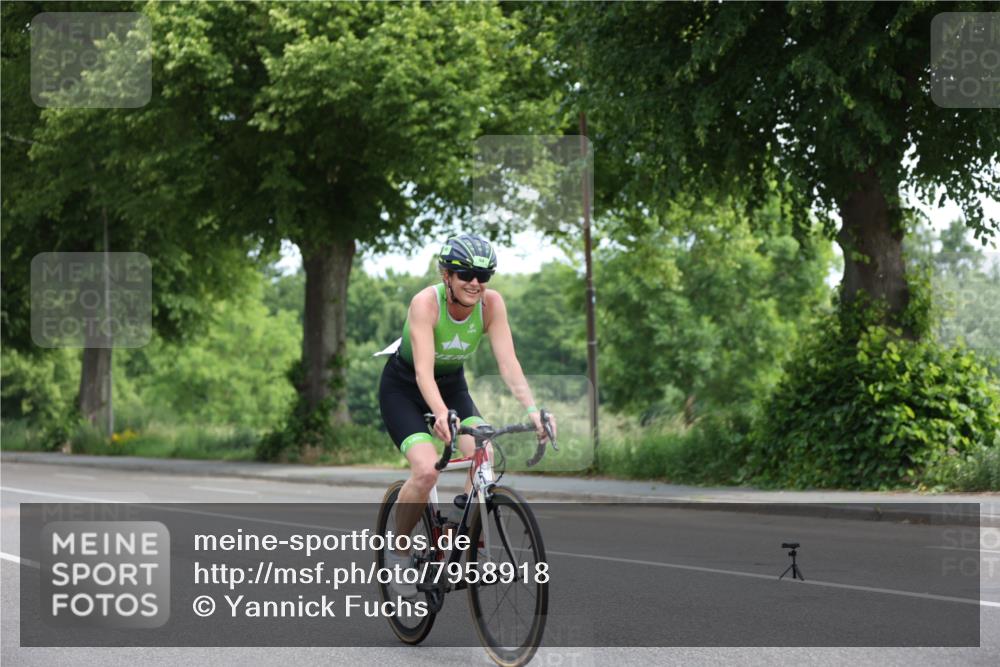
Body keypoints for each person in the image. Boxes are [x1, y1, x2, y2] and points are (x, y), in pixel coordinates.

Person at [377, 233, 555, 597]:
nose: (475, 283)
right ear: (447, 276)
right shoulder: (426, 304)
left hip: (453, 387)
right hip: (405, 389)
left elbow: (508, 363)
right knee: (426, 471)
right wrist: (441, 415)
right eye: (466, 274)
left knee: (483, 451)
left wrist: (533, 411)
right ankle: (398, 552)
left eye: (483, 275)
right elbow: (424, 373)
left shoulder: (492, 305)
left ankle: (467, 535)